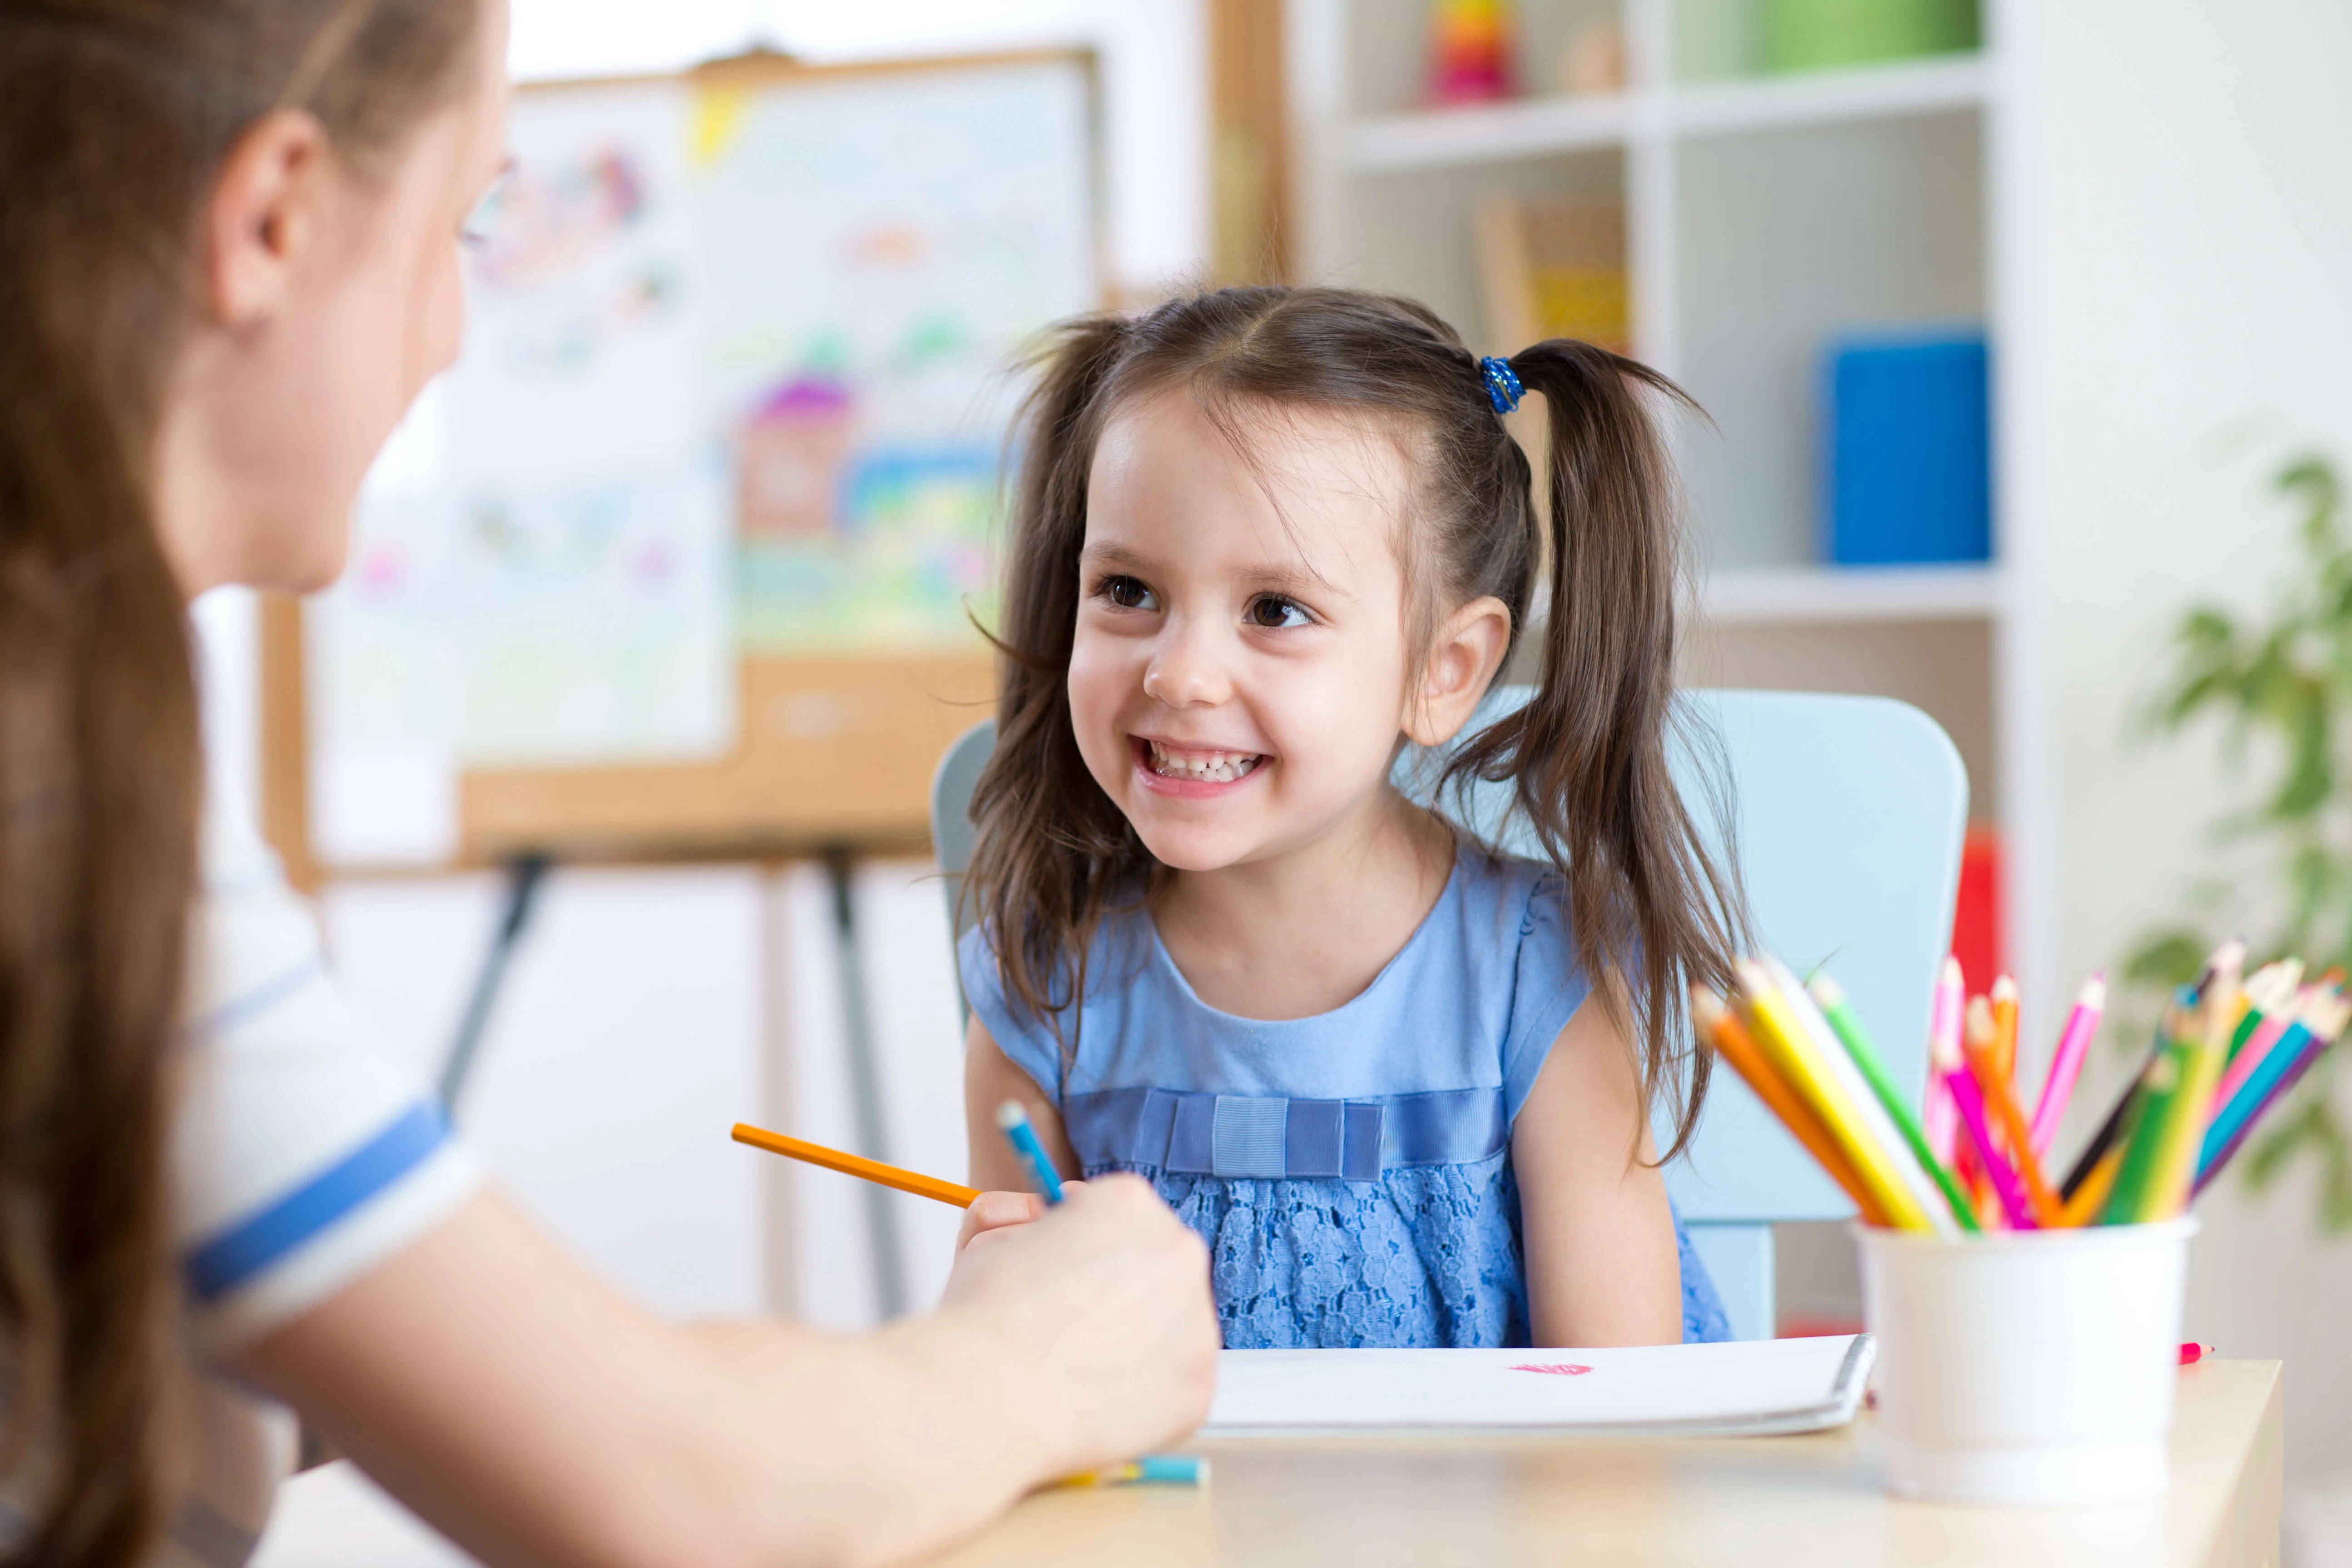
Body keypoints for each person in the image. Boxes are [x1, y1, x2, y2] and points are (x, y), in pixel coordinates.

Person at [0, 3, 1218, 1566]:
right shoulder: (59, 785)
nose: (451, 330)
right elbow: (675, 1503)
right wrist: (1051, 1350)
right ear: (273, 219)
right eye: (464, 224)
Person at [954, 287, 1745, 1349]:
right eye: (1129, 589)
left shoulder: (1535, 971)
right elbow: (1023, 1401)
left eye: (1275, 610)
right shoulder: (1043, 989)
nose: (1179, 673)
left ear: (1444, 668)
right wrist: (992, 1325)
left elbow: (1615, 1428)